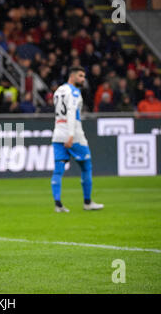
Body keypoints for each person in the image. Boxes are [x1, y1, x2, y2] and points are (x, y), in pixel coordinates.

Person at [51, 66, 104, 213]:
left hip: (57, 134)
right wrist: (71, 135)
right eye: (81, 76)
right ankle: (87, 202)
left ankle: (58, 205)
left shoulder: (58, 91)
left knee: (58, 170)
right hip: (73, 135)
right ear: (72, 76)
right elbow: (71, 114)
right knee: (86, 167)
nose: (83, 79)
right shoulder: (74, 92)